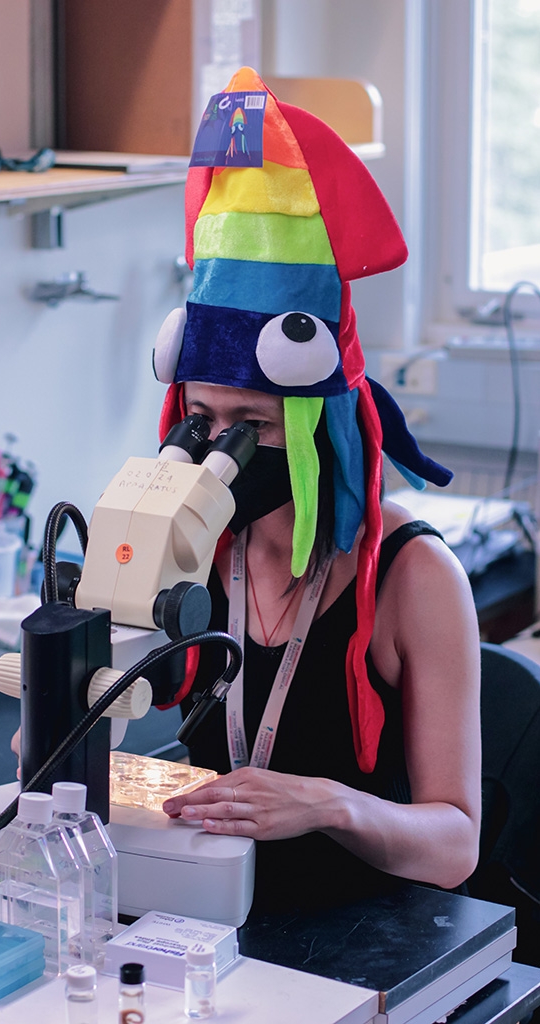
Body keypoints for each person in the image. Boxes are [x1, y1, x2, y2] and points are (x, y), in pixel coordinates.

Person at [152, 67, 481, 916]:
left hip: (355, 925)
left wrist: (327, 804)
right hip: (202, 909)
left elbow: (454, 844)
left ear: (320, 419)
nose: (222, 451)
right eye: (202, 418)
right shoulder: (192, 544)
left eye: (253, 426)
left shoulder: (412, 576)